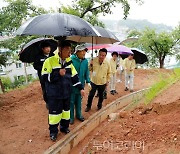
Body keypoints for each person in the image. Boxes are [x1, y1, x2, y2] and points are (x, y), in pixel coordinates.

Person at [41, 40, 85, 141]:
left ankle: (64, 128)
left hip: (66, 93)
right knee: (55, 115)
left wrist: (80, 88)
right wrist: (57, 74)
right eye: (67, 50)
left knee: (66, 113)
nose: (69, 52)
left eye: (70, 50)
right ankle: (53, 132)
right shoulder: (49, 61)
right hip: (54, 94)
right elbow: (44, 78)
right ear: (60, 50)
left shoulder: (69, 62)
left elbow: (74, 76)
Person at [70, 44, 91, 125]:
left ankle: (78, 115)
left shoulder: (85, 61)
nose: (84, 53)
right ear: (77, 52)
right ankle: (71, 117)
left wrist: (88, 81)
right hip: (72, 85)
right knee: (71, 101)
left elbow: (86, 72)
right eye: (82, 51)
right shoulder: (71, 59)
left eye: (84, 51)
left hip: (81, 85)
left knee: (79, 101)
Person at [33, 41, 54, 109]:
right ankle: (47, 102)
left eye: (49, 47)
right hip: (43, 77)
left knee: (53, 88)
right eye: (46, 48)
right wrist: (44, 67)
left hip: (52, 76)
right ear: (42, 49)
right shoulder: (38, 57)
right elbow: (35, 66)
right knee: (45, 89)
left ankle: (54, 100)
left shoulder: (52, 55)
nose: (48, 49)